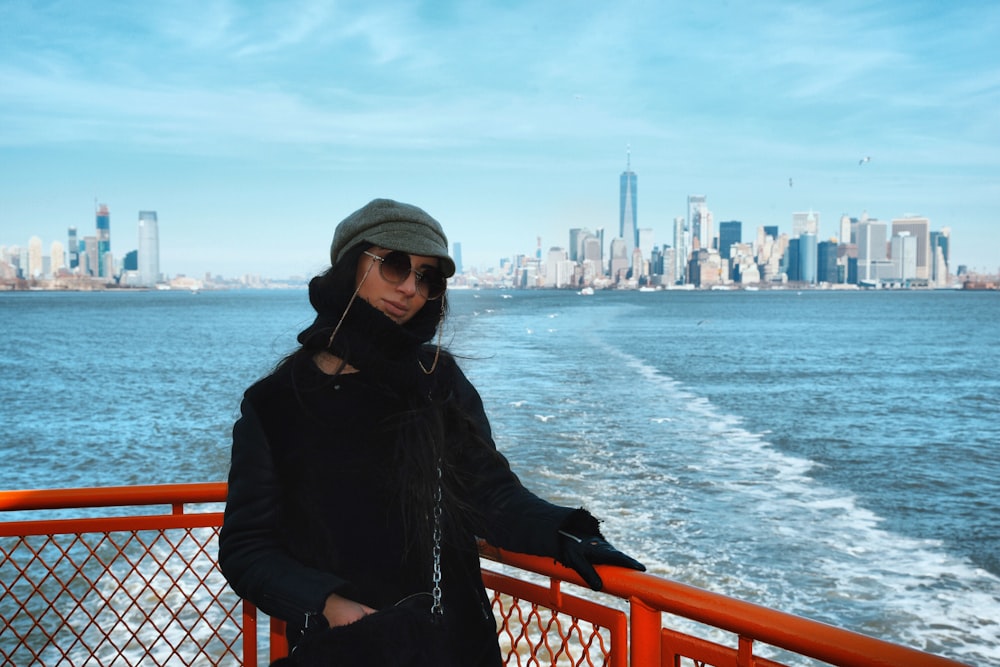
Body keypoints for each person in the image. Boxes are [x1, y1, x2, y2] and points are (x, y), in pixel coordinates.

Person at [218, 198, 645, 666]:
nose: (409, 288)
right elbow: (247, 547)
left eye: (427, 277)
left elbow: (490, 493)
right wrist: (330, 606)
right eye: (394, 265)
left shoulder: (438, 380)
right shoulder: (276, 403)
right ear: (350, 264)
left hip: (453, 644)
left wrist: (566, 534)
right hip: (343, 649)